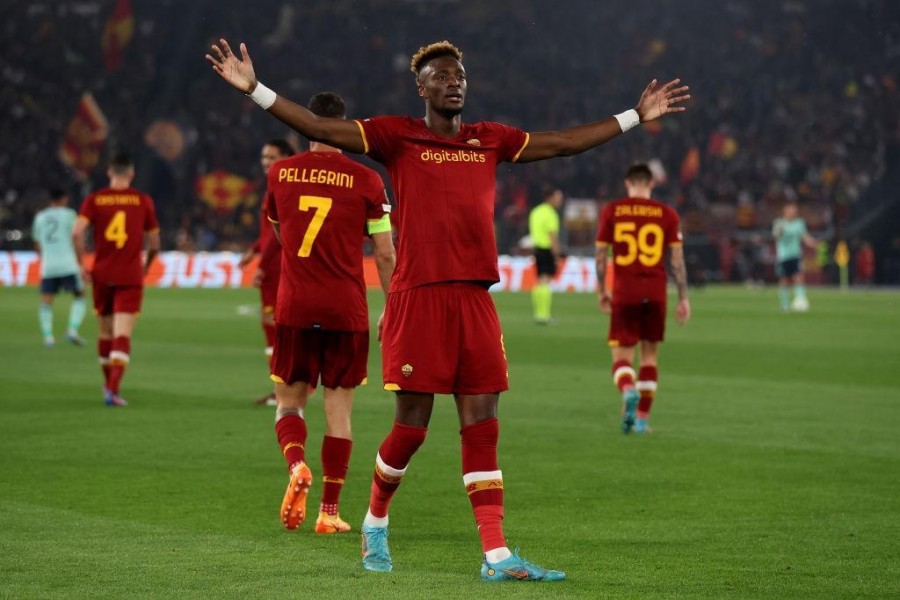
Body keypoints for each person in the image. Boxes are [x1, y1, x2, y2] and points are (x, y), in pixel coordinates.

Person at [206, 37, 689, 582]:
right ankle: (375, 523)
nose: (454, 81)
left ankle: (497, 555)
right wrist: (256, 91)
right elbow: (324, 130)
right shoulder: (395, 136)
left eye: (459, 75)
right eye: (442, 76)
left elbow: (561, 143)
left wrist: (634, 116)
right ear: (423, 88)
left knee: (483, 425)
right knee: (411, 429)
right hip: (418, 298)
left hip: (475, 300)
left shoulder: (491, 139)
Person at [263, 91, 395, 536]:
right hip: (346, 311)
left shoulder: (280, 173)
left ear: (305, 125)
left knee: (288, 404)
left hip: (295, 306)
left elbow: (281, 231)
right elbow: (385, 253)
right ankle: (329, 511)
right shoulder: (368, 181)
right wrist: (392, 305)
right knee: (339, 413)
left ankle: (297, 464)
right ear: (343, 127)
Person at [595, 164, 690, 434]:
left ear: (628, 183)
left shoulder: (613, 211)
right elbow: (677, 261)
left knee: (621, 357)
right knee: (649, 357)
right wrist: (683, 298)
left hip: (625, 292)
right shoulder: (667, 214)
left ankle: (627, 389)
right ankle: (641, 420)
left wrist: (602, 290)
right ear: (651, 184)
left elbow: (601, 257)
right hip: (656, 292)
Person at [72, 154, 160, 407]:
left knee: (105, 332)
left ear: (110, 172)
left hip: (101, 272)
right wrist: (146, 265)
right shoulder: (142, 200)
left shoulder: (95, 199)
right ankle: (113, 388)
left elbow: (76, 233)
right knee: (122, 333)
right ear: (131, 174)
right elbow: (154, 243)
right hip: (130, 274)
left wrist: (81, 265)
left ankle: (106, 386)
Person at [238, 139, 296, 406]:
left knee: (275, 329)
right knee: (271, 327)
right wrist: (254, 249)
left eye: (271, 157)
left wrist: (261, 266)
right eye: (263, 157)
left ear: (285, 158)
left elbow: (278, 233)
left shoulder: (284, 186)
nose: (265, 162)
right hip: (273, 264)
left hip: (277, 267)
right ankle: (282, 388)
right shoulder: (275, 186)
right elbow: (267, 234)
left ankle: (285, 390)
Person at [31, 188, 87, 347]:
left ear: (50, 200)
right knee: (80, 295)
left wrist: (45, 257)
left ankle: (48, 337)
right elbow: (77, 238)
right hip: (68, 263)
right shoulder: (70, 214)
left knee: (46, 301)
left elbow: (36, 243)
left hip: (48, 265)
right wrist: (80, 263)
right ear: (64, 199)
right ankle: (72, 330)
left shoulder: (40, 217)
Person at [772, 201, 817, 312]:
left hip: (795, 255)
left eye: (794, 210)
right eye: (790, 210)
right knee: (784, 279)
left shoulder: (799, 223)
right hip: (783, 256)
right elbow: (776, 237)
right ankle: (785, 303)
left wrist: (814, 243)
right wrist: (779, 232)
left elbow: (804, 236)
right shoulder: (779, 223)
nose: (792, 212)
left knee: (799, 277)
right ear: (785, 211)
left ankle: (800, 300)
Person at [528, 188, 564, 324]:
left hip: (537, 248)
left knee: (539, 281)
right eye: (558, 197)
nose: (560, 200)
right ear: (550, 198)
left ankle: (538, 313)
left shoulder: (535, 211)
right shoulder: (551, 214)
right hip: (547, 249)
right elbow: (552, 235)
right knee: (546, 281)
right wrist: (556, 254)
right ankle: (544, 315)